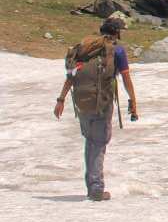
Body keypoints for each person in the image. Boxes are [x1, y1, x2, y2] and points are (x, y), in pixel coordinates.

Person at [54, 16, 140, 201]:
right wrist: (133, 100)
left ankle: (92, 185)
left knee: (90, 141)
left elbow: (72, 75)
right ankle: (96, 189)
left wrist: (61, 99)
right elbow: (125, 78)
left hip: (82, 101)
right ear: (117, 32)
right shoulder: (116, 50)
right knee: (99, 142)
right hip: (102, 101)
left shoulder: (86, 48)